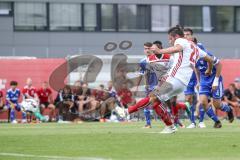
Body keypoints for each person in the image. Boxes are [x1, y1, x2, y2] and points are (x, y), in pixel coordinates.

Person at [115, 25, 214, 134]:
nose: (170, 41)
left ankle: (126, 111)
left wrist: (160, 50)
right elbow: (210, 59)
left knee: (153, 97)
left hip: (175, 77)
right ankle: (170, 127)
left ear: (175, 37)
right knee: (156, 101)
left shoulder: (181, 40)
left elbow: (177, 48)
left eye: (170, 39)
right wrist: (209, 69)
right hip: (182, 83)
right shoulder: (195, 47)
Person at [195, 41, 234, 128]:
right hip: (204, 82)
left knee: (217, 105)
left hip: (215, 81)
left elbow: (219, 65)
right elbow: (196, 70)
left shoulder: (209, 56)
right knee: (203, 102)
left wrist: (216, 81)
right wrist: (198, 81)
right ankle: (217, 121)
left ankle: (229, 109)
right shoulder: (194, 58)